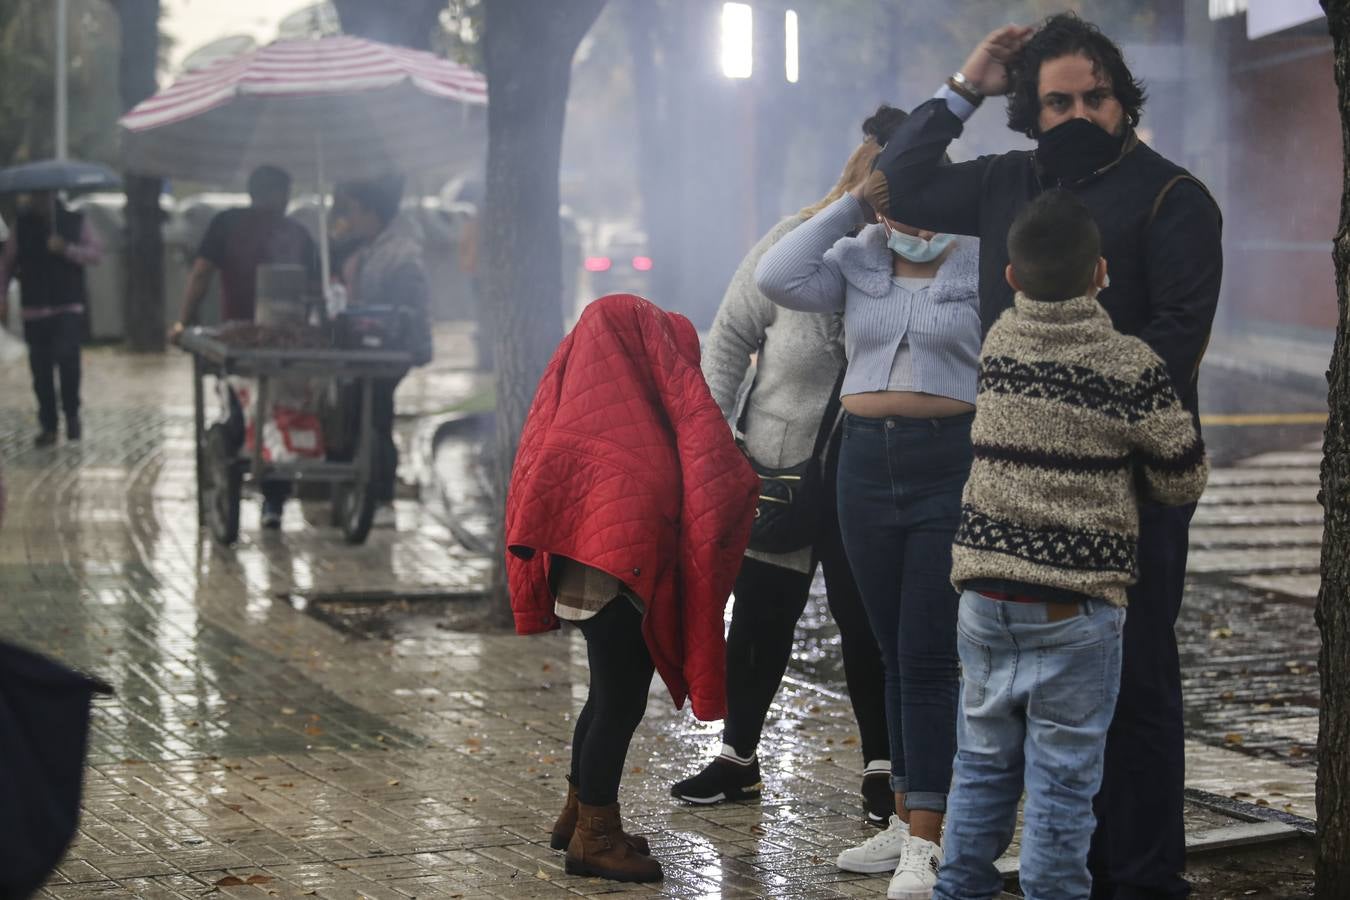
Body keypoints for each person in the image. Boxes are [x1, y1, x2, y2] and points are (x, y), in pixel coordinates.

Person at [866, 14, 1223, 898]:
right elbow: (898, 182)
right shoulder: (1006, 182)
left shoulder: (1173, 197)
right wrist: (966, 86)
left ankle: (1139, 880)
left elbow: (1177, 342)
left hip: (1130, 496)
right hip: (1013, 503)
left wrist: (1075, 408)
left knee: (1136, 691)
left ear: (1122, 99)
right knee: (1000, 730)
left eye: (1093, 96)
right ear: (1030, 110)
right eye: (1056, 100)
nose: (1076, 114)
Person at [935, 190, 1209, 900]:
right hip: (1075, 610)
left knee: (982, 768)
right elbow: (1182, 476)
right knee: (1061, 789)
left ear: (1012, 278)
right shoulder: (1129, 365)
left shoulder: (998, 343)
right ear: (1102, 274)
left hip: (985, 602)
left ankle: (956, 889)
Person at [757, 106, 982, 900]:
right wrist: (853, 204)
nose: (896, 206)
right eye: (885, 192)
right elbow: (774, 276)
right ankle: (903, 819)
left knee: (927, 653)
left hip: (946, 466)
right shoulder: (857, 257)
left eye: (905, 188)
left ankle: (931, 840)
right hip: (860, 466)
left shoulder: (980, 260)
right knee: (887, 649)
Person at [672, 112, 891, 827]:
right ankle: (737, 759)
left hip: (867, 477)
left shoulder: (917, 255)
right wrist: (716, 441)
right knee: (762, 618)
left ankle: (883, 769)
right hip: (780, 470)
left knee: (868, 627)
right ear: (860, 182)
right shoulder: (794, 243)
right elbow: (730, 335)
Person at [507, 293, 759, 884]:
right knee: (619, 704)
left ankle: (579, 813)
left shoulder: (579, 412)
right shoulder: (637, 435)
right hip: (617, 580)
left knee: (601, 697)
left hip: (583, 575)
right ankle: (597, 837)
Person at [170, 165, 320, 528]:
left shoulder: (229, 223)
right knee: (280, 410)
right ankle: (273, 500)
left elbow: (202, 273)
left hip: (240, 343)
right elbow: (318, 292)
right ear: (281, 195)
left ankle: (236, 471)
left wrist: (183, 322)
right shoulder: (296, 233)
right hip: (283, 346)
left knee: (242, 408)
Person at [332, 174, 433, 528]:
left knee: (376, 417)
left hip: (390, 353)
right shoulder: (367, 248)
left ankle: (382, 495)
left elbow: (408, 310)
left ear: (373, 213)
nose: (351, 218)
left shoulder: (401, 254)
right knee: (367, 416)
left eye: (356, 211)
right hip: (367, 351)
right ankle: (365, 491)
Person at [0, 191, 103, 446]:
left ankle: (72, 415)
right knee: (40, 371)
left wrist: (66, 248)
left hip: (67, 306)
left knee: (69, 363)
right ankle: (48, 424)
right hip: (34, 309)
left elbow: (95, 254)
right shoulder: (21, 226)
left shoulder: (74, 221)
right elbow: (7, 264)